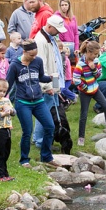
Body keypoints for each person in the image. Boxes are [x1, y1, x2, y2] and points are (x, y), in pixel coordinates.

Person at [5, 40, 56, 167]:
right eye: (31, 55)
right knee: (27, 131)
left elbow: (40, 77)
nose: (34, 57)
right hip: (23, 102)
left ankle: (46, 156)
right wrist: (3, 100)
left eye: (35, 55)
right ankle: (24, 160)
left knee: (50, 126)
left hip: (39, 101)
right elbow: (8, 84)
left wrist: (50, 78)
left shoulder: (37, 61)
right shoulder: (14, 66)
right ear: (24, 52)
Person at [73, 41, 106, 147]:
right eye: (94, 54)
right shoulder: (80, 65)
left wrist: (93, 68)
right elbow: (75, 80)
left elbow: (99, 75)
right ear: (88, 53)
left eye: (97, 54)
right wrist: (85, 87)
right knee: (83, 114)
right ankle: (81, 137)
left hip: (95, 89)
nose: (96, 56)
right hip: (85, 91)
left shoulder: (96, 61)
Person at [32, 16, 67, 148]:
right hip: (47, 84)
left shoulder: (50, 39)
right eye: (57, 29)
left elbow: (56, 63)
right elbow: (42, 66)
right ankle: (40, 141)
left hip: (54, 81)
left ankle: (43, 138)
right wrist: (47, 86)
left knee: (51, 110)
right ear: (50, 26)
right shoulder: (41, 41)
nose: (58, 32)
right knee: (45, 113)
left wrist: (57, 86)